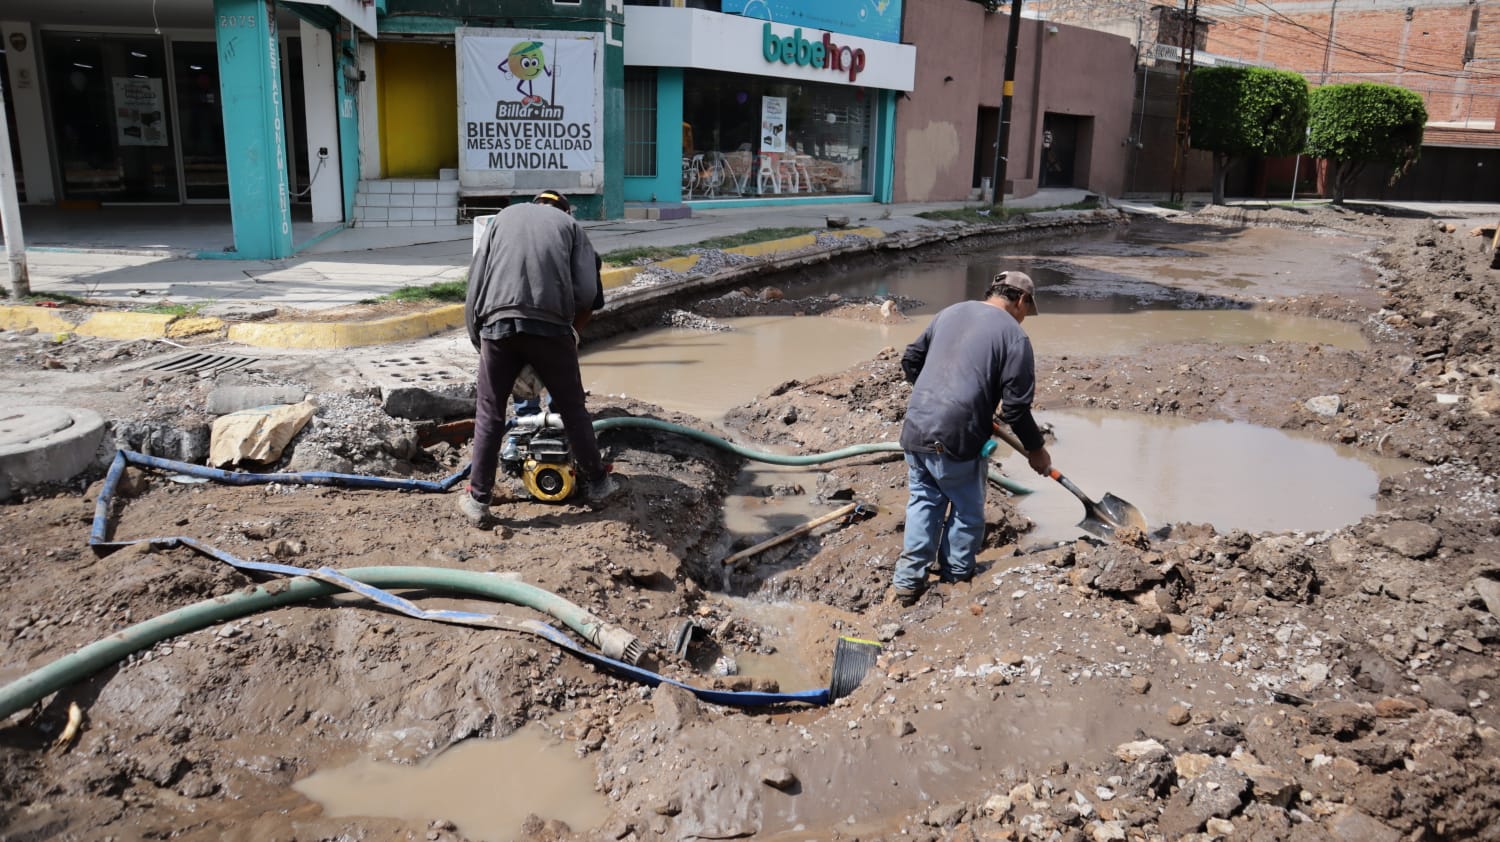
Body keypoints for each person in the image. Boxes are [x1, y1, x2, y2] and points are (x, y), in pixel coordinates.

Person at [891, 271, 1053, 606]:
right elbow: (1017, 410)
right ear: (1021, 300)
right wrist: (1037, 451)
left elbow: (911, 360)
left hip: (917, 425)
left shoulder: (950, 312)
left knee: (924, 501)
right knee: (966, 508)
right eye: (1027, 309)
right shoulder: (1014, 337)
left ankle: (907, 583)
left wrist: (936, 396)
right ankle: (956, 576)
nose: (1025, 318)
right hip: (956, 435)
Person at [459, 190, 618, 527]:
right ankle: (599, 484)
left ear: (535, 204)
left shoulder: (502, 219)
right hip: (550, 327)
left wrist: (479, 340)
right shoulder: (571, 226)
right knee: (573, 408)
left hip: (495, 325)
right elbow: (589, 294)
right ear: (565, 210)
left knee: (489, 413)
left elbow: (475, 283)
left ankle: (478, 500)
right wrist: (568, 334)